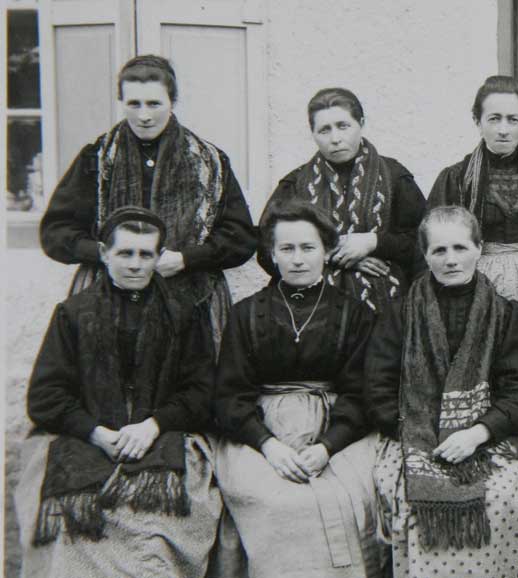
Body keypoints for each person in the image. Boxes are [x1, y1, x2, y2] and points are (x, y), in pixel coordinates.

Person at [16, 206, 221, 577]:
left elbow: (201, 392)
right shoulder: (74, 314)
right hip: (88, 436)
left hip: (162, 438)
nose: (135, 264)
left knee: (158, 526)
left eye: (146, 254)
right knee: (75, 526)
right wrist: (96, 433)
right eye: (125, 253)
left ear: (159, 258)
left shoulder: (185, 313)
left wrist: (153, 426)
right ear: (106, 254)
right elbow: (45, 397)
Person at [364, 206, 518, 577]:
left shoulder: (505, 314)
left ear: (479, 249)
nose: (451, 260)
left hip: (489, 434)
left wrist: (477, 433)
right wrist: (420, 434)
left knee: (501, 494)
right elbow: (378, 390)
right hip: (415, 434)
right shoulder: (400, 313)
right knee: (411, 495)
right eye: (439, 251)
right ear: (425, 256)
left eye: (460, 248)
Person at [213, 202, 384, 577]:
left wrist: (326, 447)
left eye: (308, 248)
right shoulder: (245, 314)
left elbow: (362, 394)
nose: (298, 259)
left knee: (344, 497)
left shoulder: (355, 314)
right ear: (272, 255)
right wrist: (268, 446)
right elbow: (230, 396)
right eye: (286, 249)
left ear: (326, 251)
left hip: (340, 432)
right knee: (276, 501)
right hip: (260, 432)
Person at [39, 54, 255, 343]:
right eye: (133, 104)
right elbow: (56, 231)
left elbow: (240, 236)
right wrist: (106, 255)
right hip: (108, 301)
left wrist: (186, 259)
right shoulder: (97, 158)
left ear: (172, 102)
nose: (144, 115)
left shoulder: (209, 162)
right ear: (122, 102)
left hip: (190, 305)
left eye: (154, 104)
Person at [428, 76, 518, 338]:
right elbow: (431, 243)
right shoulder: (456, 179)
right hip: (476, 286)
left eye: (513, 120)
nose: (503, 129)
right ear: (478, 122)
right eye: (494, 119)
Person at [262, 87, 426, 312]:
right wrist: (331, 255)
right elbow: (266, 249)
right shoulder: (295, 184)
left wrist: (374, 242)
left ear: (361, 123)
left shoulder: (394, 176)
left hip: (388, 305)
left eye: (343, 126)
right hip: (310, 307)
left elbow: (422, 241)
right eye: (324, 130)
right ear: (313, 134)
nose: (335, 139)